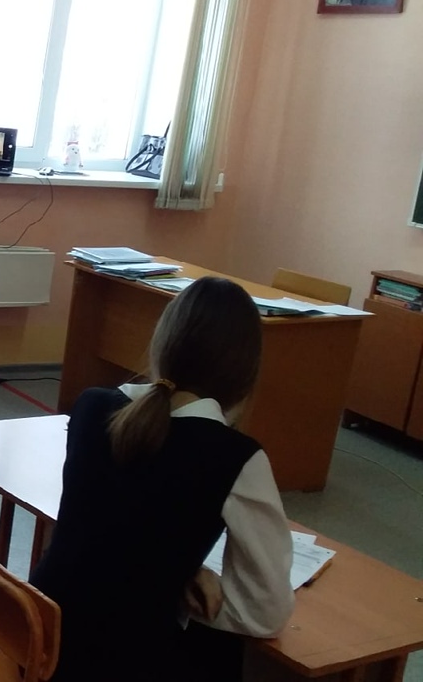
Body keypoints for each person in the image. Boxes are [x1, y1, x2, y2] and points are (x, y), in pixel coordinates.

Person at [29, 277, 294, 682]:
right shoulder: (235, 456)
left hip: (42, 640)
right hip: (123, 662)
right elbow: (265, 613)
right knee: (224, 649)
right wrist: (178, 586)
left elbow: (111, 532)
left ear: (161, 345)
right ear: (245, 377)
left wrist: (177, 570)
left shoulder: (91, 406)